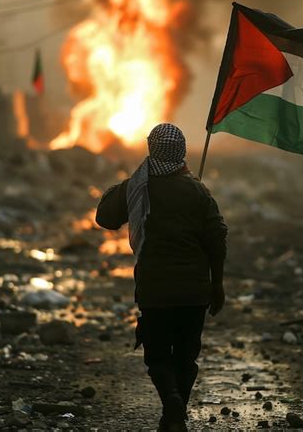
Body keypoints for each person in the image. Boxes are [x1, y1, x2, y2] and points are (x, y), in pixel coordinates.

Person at [95, 123, 227, 431]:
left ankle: (171, 402)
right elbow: (216, 239)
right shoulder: (197, 190)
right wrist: (217, 284)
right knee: (186, 354)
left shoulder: (137, 187)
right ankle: (176, 408)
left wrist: (123, 186)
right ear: (181, 151)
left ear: (151, 149)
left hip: (155, 290)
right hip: (194, 291)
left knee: (156, 353)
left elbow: (105, 217)